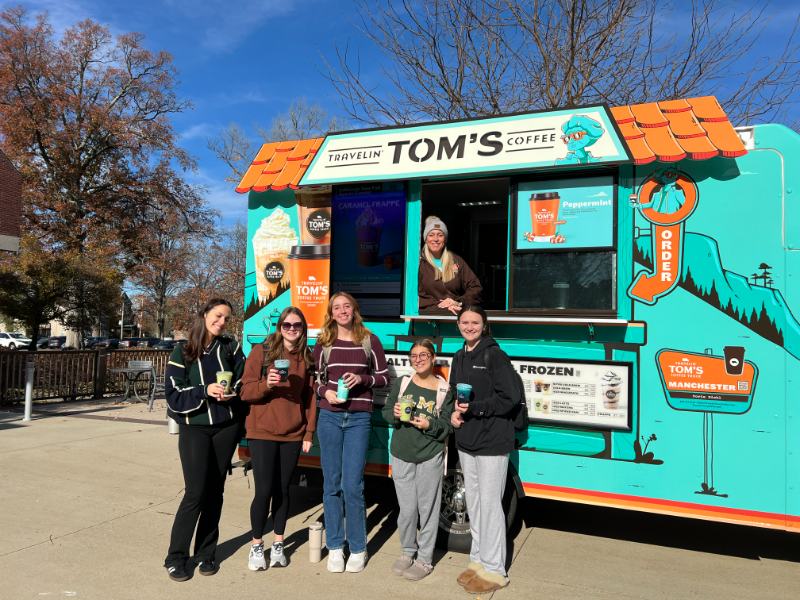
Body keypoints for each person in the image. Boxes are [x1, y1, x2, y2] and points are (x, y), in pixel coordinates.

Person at [163, 298, 246, 582]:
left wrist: (230, 392)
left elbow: (242, 381)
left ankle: (206, 553)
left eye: (226, 318)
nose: (222, 322)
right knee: (195, 492)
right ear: (205, 314)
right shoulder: (182, 351)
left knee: (216, 491)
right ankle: (175, 557)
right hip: (194, 429)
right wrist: (204, 390)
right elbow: (173, 396)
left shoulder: (231, 348)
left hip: (226, 427)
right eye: (218, 315)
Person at [312, 292, 388, 573]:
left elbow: (383, 377)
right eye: (337, 308)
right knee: (331, 484)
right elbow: (314, 380)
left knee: (353, 485)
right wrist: (326, 392)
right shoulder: (323, 343)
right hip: (330, 418)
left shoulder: (370, 340)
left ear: (354, 311)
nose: (342, 311)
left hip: (359, 418)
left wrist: (363, 378)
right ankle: (334, 546)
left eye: (347, 306)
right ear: (331, 314)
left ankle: (358, 547)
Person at [240, 306, 317, 572]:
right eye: (287, 325)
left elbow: (311, 399)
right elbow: (245, 392)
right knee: (263, 491)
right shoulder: (261, 353)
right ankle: (256, 545)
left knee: (283, 491)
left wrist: (308, 433)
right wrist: (267, 384)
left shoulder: (307, 357)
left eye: (297, 326)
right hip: (262, 432)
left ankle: (279, 544)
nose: (292, 330)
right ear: (279, 327)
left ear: (303, 329)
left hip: (293, 433)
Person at [449, 306, 517, 594]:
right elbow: (455, 394)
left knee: (490, 505)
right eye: (464, 322)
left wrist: (475, 408)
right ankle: (477, 560)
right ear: (458, 325)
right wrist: (454, 413)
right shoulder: (459, 355)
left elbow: (510, 398)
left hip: (492, 441)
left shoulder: (494, 355)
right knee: (475, 503)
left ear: (484, 325)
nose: (469, 326)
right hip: (467, 440)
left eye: (475, 322)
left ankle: (495, 569)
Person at [382, 339, 453, 581]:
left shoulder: (444, 390)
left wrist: (429, 424)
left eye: (424, 355)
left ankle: (424, 560)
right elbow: (386, 410)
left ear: (433, 358)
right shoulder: (403, 383)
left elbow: (447, 426)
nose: (418, 359)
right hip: (401, 453)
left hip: (429, 455)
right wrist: (393, 415)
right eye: (414, 355)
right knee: (407, 508)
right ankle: (407, 551)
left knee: (428, 509)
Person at [418, 215, 482, 315]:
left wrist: (459, 302)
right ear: (425, 239)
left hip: (457, 315)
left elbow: (476, 288)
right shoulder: (419, 264)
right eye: (431, 235)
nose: (436, 239)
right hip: (430, 317)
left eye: (440, 235)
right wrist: (442, 305)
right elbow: (416, 296)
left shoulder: (457, 260)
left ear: (445, 239)